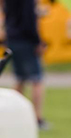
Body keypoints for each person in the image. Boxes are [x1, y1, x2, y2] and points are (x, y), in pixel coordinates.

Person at [1, 0, 50, 129]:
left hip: (12, 38)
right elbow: (29, 20)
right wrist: (37, 41)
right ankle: (36, 118)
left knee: (20, 79)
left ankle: (13, 115)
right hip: (26, 41)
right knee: (37, 80)